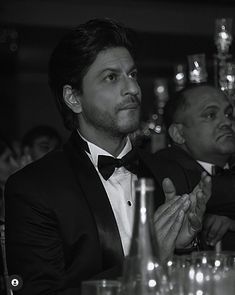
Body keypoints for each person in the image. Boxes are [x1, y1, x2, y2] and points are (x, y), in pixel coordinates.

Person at [5, 18, 211, 295]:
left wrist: (186, 245)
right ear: (73, 98)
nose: (133, 89)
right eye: (111, 77)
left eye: (133, 74)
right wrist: (144, 262)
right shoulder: (34, 188)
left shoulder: (171, 174)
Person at [154, 83, 235, 250]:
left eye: (229, 114)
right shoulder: (165, 167)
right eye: (211, 115)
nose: (226, 121)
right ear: (179, 134)